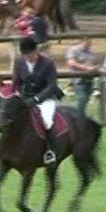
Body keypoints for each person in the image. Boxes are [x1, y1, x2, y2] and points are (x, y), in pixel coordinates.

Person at [12, 36, 62, 165]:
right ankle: (5, 148)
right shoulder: (19, 61)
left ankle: (49, 151)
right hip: (25, 98)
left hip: (45, 99)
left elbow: (52, 86)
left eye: (30, 55)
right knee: (10, 118)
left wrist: (36, 99)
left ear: (36, 51)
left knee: (47, 121)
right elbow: (16, 81)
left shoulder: (48, 63)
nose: (28, 58)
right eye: (25, 55)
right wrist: (17, 96)